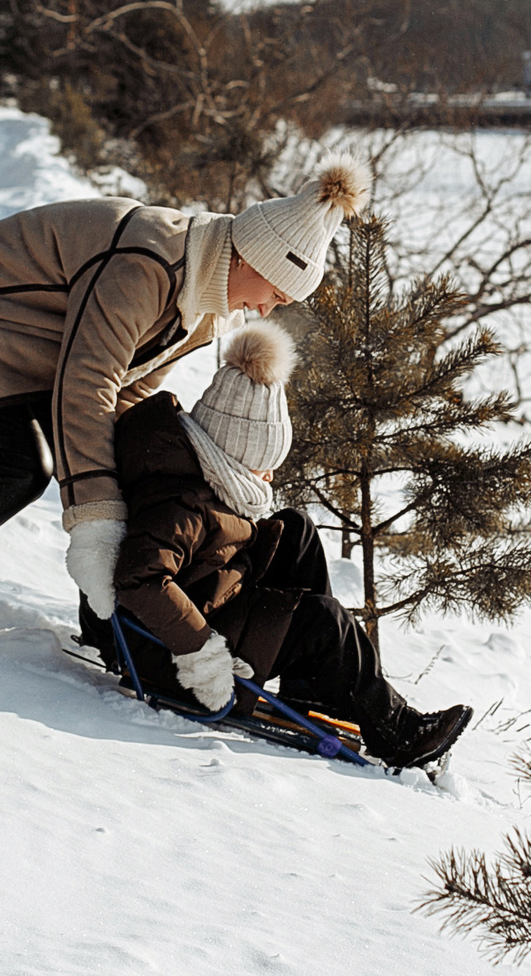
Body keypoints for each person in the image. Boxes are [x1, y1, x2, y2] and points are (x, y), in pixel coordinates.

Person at [0, 156, 371, 618]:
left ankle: (114, 623)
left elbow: (124, 392)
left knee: (103, 463)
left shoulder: (205, 312)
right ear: (248, 258)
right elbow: (87, 382)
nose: (266, 311)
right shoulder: (150, 263)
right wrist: (97, 522)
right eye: (274, 294)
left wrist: (139, 480)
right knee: (21, 469)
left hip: (38, 346)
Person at [79, 319, 473, 771]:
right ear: (231, 451)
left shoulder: (193, 471)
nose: (268, 477)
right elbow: (139, 579)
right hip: (168, 652)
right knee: (323, 620)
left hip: (202, 598)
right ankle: (396, 733)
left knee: (295, 529)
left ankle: (317, 687)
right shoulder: (181, 503)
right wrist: (203, 653)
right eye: (262, 466)